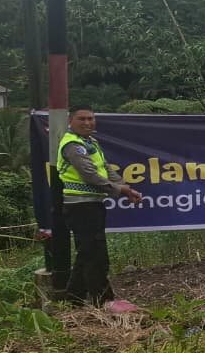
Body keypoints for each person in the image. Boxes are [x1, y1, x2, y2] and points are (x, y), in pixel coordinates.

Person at [56, 106, 143, 311]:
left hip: (91, 204)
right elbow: (90, 175)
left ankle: (73, 300)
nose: (87, 123)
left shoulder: (90, 143)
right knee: (96, 255)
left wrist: (125, 188)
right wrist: (119, 189)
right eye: (82, 119)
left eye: (91, 119)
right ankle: (104, 301)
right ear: (71, 121)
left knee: (86, 252)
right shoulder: (73, 145)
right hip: (80, 206)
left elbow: (105, 169)